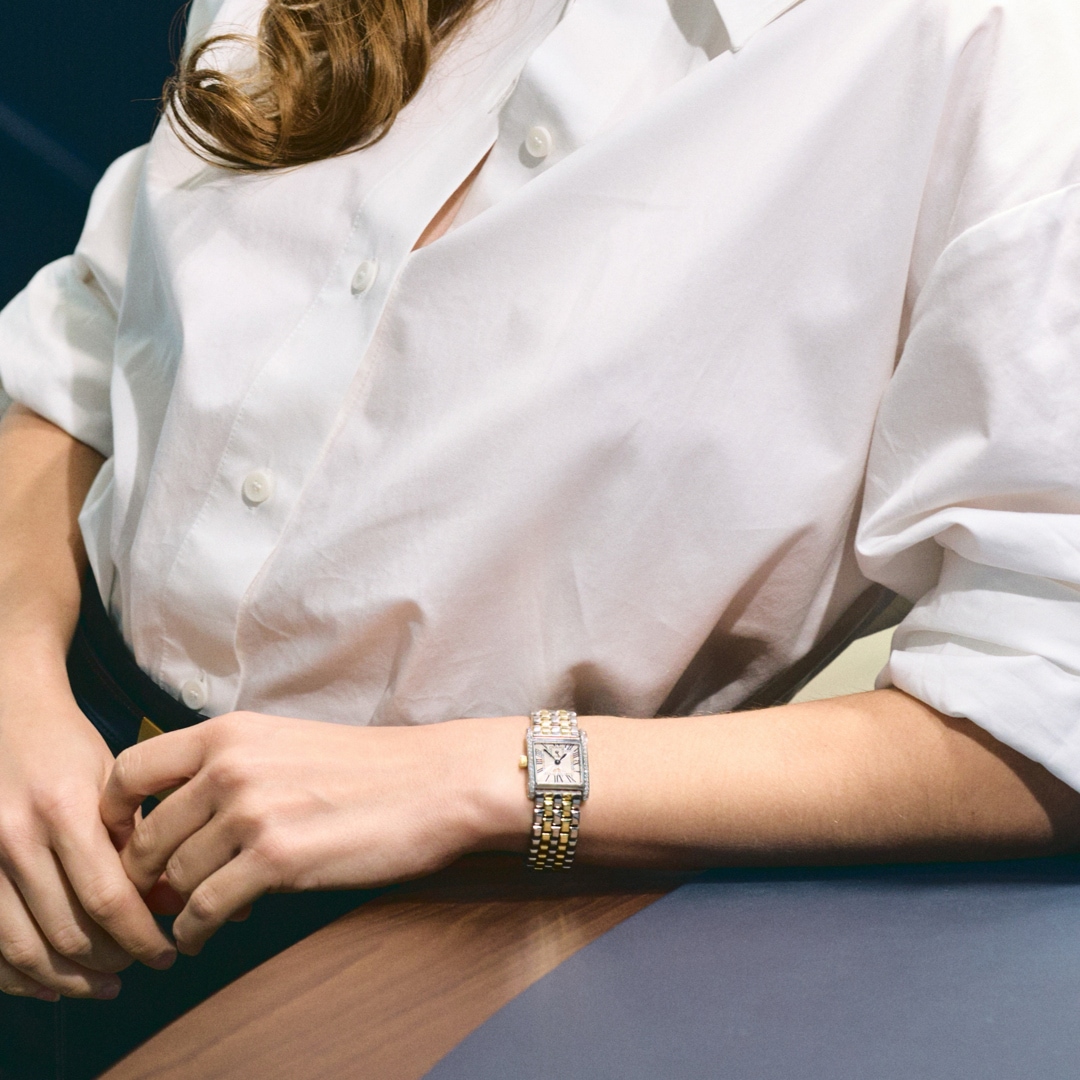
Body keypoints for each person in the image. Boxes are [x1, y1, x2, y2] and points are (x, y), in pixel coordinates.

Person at [1, 0, 1080, 1050]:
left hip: (441, 932)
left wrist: (477, 782)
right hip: (45, 767)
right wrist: (14, 674)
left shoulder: (998, 61)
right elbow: (104, 323)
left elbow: (1041, 691)